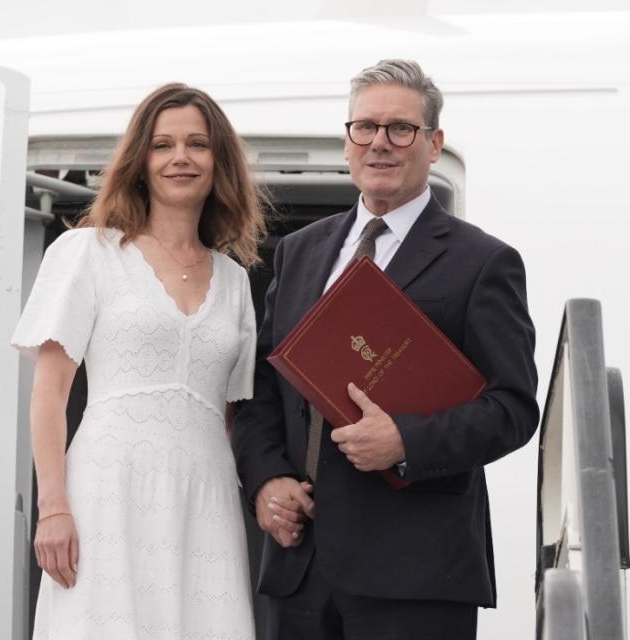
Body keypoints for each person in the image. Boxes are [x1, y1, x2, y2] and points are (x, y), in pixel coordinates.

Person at [231, 59, 539, 639]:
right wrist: (267, 478)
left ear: (433, 143)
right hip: (300, 567)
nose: (380, 143)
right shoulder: (299, 252)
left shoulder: (484, 262)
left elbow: (514, 409)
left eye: (401, 128)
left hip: (417, 573)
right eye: (365, 127)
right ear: (347, 142)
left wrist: (405, 442)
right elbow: (261, 388)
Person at [12, 82, 266, 640]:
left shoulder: (236, 283)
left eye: (197, 144)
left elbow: (234, 417)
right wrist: (53, 507)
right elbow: (49, 393)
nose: (180, 157)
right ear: (139, 161)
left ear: (218, 161)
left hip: (205, 501)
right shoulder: (87, 252)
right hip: (106, 492)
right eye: (162, 145)